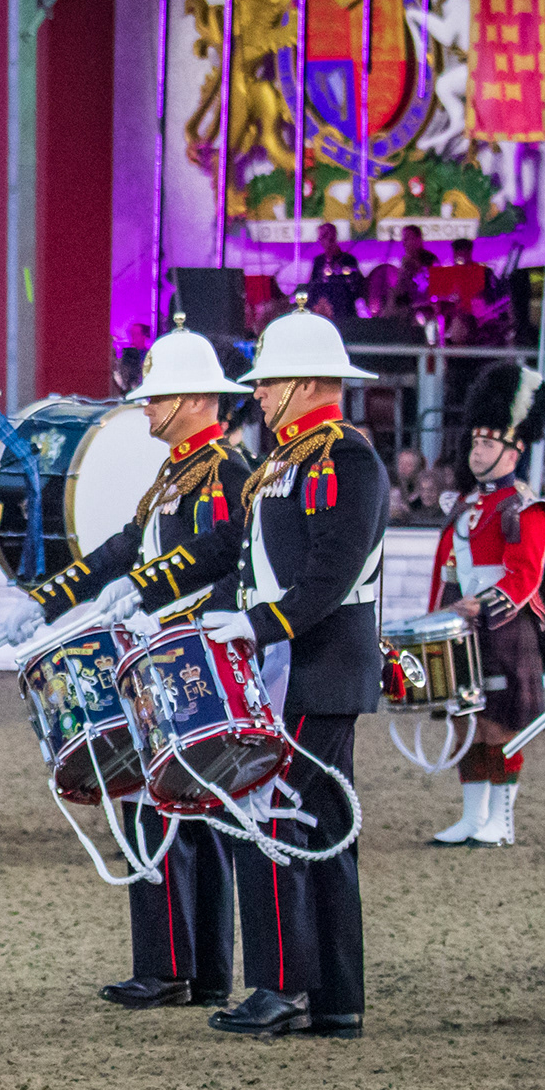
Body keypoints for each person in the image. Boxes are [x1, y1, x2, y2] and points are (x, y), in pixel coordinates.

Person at [17, 321, 251, 1012]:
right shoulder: (178, 470)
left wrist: (151, 597)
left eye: (157, 396)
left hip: (186, 652)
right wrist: (48, 599)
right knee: (179, 810)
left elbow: (220, 556)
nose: (145, 406)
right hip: (166, 647)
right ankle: (187, 967)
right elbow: (126, 546)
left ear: (197, 399)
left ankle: (175, 967)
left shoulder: (226, 470)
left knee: (174, 810)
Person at [195, 310, 388, 1039]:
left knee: (273, 816)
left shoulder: (343, 457)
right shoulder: (290, 460)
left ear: (307, 382)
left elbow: (330, 574)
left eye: (270, 381)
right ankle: (335, 998)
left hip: (317, 663)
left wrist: (259, 625)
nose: (259, 393)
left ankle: (281, 986)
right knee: (322, 827)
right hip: (293, 663)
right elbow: (249, 562)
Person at [425, 362, 545, 848]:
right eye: (475, 443)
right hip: (462, 627)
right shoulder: (464, 506)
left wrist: (480, 606)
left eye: (487, 445)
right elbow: (446, 572)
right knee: (465, 725)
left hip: (505, 629)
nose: (476, 452)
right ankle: (473, 817)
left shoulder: (526, 507)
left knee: (500, 727)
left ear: (514, 450)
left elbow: (525, 575)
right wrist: (439, 617)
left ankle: (501, 822)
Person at [305, 223, 363, 320]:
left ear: (334, 238)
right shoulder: (319, 261)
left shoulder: (348, 260)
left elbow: (356, 287)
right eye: (321, 238)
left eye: (325, 237)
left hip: (344, 309)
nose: (322, 241)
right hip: (322, 309)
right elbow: (312, 286)